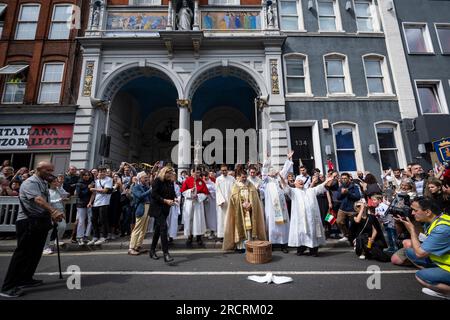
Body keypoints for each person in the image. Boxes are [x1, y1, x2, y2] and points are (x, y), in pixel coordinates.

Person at [0, 162, 64, 298]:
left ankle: (25, 279)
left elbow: (45, 201)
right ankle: (8, 287)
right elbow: (38, 200)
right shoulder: (30, 182)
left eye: (52, 170)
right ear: (39, 169)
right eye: (48, 170)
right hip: (27, 222)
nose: (51, 173)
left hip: (40, 221)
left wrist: (53, 213)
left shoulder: (42, 182)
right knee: (22, 254)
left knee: (35, 253)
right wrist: (53, 211)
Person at [279, 153, 335, 256]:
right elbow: (284, 185)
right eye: (298, 181)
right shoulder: (293, 191)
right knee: (301, 233)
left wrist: (328, 179)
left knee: (312, 233)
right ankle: (300, 249)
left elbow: (322, 186)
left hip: (312, 218)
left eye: (301, 181)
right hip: (300, 218)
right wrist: (282, 174)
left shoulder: (310, 190)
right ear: (295, 183)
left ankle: (313, 250)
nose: (300, 182)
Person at [396, 198, 450, 299]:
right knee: (409, 252)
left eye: (415, 210)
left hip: (447, 265)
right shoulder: (439, 219)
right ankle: (437, 277)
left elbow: (420, 253)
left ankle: (447, 292)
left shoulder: (442, 228)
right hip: (443, 260)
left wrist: (412, 230)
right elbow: (422, 243)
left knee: (421, 276)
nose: (412, 213)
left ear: (428, 212)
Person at [223, 166, 266, 252]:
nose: (244, 178)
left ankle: (249, 244)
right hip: (240, 210)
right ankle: (241, 246)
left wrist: (251, 204)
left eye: (245, 177)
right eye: (242, 177)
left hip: (249, 210)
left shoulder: (250, 184)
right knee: (240, 226)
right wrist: (241, 204)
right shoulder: (236, 185)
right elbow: (233, 197)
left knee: (249, 228)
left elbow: (255, 197)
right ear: (239, 176)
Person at [261, 153, 292, 253]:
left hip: (281, 207)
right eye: (271, 170)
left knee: (282, 224)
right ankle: (272, 244)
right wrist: (267, 159)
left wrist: (288, 158)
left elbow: (285, 170)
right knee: (272, 225)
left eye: (274, 170)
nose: (274, 172)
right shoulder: (266, 181)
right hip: (271, 208)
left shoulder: (278, 179)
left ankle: (283, 244)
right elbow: (264, 170)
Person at [150, 166, 177, 263]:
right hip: (157, 208)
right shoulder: (157, 180)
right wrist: (165, 200)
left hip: (166, 208)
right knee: (164, 228)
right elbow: (154, 194)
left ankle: (152, 250)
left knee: (158, 230)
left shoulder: (170, 182)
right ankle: (166, 253)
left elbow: (172, 193)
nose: (170, 175)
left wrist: (175, 199)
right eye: (168, 173)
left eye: (171, 173)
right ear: (164, 173)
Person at [181, 168, 209, 247]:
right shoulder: (187, 180)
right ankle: (189, 238)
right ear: (192, 172)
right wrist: (190, 191)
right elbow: (183, 191)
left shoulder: (201, 181)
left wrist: (198, 196)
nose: (197, 174)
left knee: (198, 220)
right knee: (189, 220)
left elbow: (205, 193)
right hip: (189, 203)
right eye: (196, 173)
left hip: (198, 203)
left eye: (199, 173)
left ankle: (199, 238)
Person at [43, 176, 69, 255]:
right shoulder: (47, 191)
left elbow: (66, 194)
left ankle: (56, 240)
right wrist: (59, 200)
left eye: (56, 181)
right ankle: (45, 247)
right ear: (49, 183)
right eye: (54, 182)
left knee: (62, 226)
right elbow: (47, 202)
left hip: (60, 212)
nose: (56, 183)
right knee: (49, 230)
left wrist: (60, 187)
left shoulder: (58, 189)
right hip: (50, 212)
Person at [87, 166, 113, 246]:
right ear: (98, 172)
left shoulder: (109, 179)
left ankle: (103, 236)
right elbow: (94, 193)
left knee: (103, 220)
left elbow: (105, 190)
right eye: (101, 171)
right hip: (96, 203)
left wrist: (94, 189)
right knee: (93, 220)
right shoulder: (97, 181)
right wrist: (90, 202)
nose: (102, 173)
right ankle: (95, 236)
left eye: (104, 171)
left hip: (104, 203)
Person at [129, 172, 151, 256]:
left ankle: (138, 246)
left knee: (143, 229)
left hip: (148, 208)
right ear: (140, 178)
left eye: (147, 177)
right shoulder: (136, 187)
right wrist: (150, 190)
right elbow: (140, 196)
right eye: (144, 178)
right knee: (137, 229)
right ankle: (131, 248)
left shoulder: (146, 187)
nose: (146, 179)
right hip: (141, 208)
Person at [336, 172, 361, 242]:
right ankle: (346, 235)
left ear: (349, 178)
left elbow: (358, 197)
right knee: (339, 222)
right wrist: (341, 193)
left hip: (352, 209)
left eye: (345, 178)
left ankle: (354, 237)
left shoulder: (354, 186)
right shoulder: (341, 187)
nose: (343, 180)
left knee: (353, 224)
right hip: (342, 208)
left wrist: (348, 193)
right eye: (342, 178)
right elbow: (338, 198)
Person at [215, 164, 235, 241]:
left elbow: (234, 189)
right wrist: (220, 200)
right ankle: (222, 235)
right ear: (220, 171)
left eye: (225, 170)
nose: (224, 171)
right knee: (221, 218)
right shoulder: (218, 179)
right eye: (222, 170)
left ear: (227, 170)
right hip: (222, 202)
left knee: (229, 218)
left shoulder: (232, 179)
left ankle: (230, 234)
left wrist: (233, 199)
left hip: (230, 201)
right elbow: (217, 191)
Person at [75, 171, 94, 245]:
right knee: (81, 221)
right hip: (81, 204)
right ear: (82, 176)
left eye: (88, 175)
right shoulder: (79, 184)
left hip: (89, 203)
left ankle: (86, 236)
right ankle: (79, 237)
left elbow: (92, 194)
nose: (87, 176)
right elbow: (79, 195)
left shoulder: (91, 183)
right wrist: (88, 188)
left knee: (90, 220)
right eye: (85, 175)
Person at [167, 174, 181, 242]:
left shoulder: (177, 186)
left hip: (173, 205)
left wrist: (176, 200)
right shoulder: (166, 184)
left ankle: (171, 236)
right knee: (166, 221)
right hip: (166, 204)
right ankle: (165, 235)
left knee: (172, 222)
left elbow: (178, 195)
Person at [203, 172, 217, 240]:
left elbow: (215, 191)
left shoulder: (212, 184)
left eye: (206, 177)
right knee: (204, 216)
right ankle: (205, 231)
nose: (205, 178)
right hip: (203, 202)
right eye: (204, 177)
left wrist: (209, 193)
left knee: (211, 217)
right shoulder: (201, 183)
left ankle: (212, 231)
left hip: (211, 202)